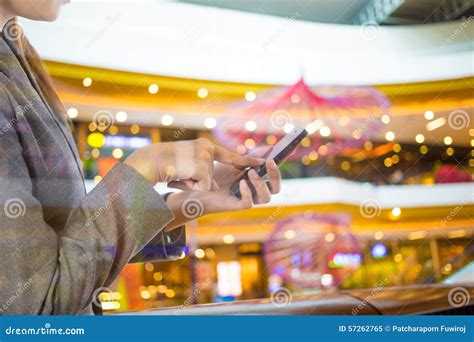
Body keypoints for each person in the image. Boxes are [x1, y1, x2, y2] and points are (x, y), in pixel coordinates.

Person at [0, 0, 281, 315]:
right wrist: (146, 168)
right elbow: (36, 307)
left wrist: (192, 203)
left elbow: (65, 250)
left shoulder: (15, 54)